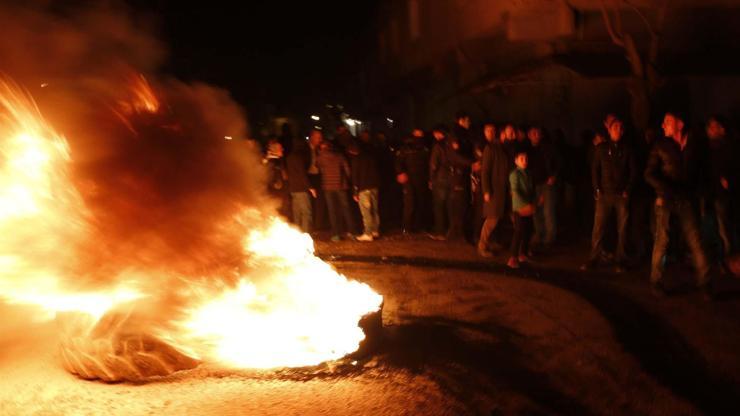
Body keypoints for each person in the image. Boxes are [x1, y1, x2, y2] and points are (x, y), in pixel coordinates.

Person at [645, 112, 713, 298]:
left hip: (687, 200)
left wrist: (702, 195)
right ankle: (655, 282)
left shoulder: (694, 146)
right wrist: (667, 189)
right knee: (662, 241)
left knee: (696, 241)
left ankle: (705, 284)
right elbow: (649, 174)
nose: (663, 125)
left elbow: (702, 173)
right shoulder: (660, 146)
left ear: (680, 124)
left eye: (667, 121)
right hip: (665, 199)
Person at [581, 117, 637, 273]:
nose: (617, 130)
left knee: (623, 228)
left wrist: (628, 189)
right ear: (609, 130)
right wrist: (597, 188)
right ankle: (594, 258)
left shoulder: (627, 149)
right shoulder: (601, 148)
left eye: (620, 128)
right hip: (604, 195)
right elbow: (594, 169)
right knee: (598, 228)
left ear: (623, 131)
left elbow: (633, 172)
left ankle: (621, 259)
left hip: (621, 196)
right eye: (614, 127)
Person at [703, 115, 735, 263]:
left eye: (714, 126)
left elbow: (730, 166)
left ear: (721, 129)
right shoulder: (709, 147)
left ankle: (729, 256)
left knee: (724, 226)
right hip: (711, 192)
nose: (710, 129)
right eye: (709, 126)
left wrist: (727, 178)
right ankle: (721, 255)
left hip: (722, 193)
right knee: (714, 225)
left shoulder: (727, 146)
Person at [477, 122, 510, 257]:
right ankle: (482, 245)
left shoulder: (502, 148)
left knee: (498, 218)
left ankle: (489, 242)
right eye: (508, 133)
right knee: (492, 219)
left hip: (502, 190)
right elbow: (485, 171)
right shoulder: (490, 148)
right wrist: (486, 190)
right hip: (494, 190)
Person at [528, 126, 561, 250]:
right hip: (533, 184)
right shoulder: (527, 149)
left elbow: (559, 162)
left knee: (548, 211)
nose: (535, 135)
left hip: (547, 184)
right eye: (533, 133)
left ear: (541, 135)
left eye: (538, 133)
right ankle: (539, 234)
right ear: (529, 135)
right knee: (536, 211)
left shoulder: (549, 148)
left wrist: (554, 176)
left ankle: (550, 238)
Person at [316, 141, 356, 241]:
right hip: (341, 186)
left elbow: (318, 168)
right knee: (346, 209)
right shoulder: (340, 156)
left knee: (332, 211)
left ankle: (336, 234)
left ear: (322, 148)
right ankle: (352, 232)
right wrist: (348, 182)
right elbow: (348, 171)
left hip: (328, 187)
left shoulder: (320, 158)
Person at [395, 128, 430, 234]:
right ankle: (407, 227)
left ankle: (418, 225)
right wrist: (400, 172)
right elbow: (398, 162)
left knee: (421, 202)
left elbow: (428, 164)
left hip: (421, 179)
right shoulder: (405, 148)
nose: (419, 137)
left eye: (421, 135)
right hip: (408, 180)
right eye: (417, 135)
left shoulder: (425, 149)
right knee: (409, 204)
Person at [349, 134, 381, 242]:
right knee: (374, 210)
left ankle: (368, 233)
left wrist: (355, 192)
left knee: (366, 211)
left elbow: (355, 177)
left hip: (363, 188)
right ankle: (375, 231)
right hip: (374, 186)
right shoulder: (370, 157)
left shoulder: (356, 159)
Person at [508, 151, 536, 269]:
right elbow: (515, 191)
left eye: (526, 159)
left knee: (528, 230)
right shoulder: (515, 174)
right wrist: (526, 204)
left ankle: (522, 254)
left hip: (528, 206)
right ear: (516, 161)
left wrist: (533, 202)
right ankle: (512, 258)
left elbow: (531, 190)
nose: (524, 161)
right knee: (518, 231)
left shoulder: (528, 173)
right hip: (519, 207)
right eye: (521, 159)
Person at [285, 138, 316, 233]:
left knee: (297, 214)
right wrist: (310, 187)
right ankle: (305, 234)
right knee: (306, 213)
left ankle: (297, 233)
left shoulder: (289, 157)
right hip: (301, 189)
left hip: (293, 189)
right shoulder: (299, 158)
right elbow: (302, 174)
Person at [428, 124, 450, 240]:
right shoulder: (450, 143)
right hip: (450, 178)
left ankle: (440, 232)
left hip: (440, 178)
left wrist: (431, 179)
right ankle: (448, 230)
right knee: (447, 206)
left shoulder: (438, 146)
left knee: (438, 206)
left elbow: (433, 165)